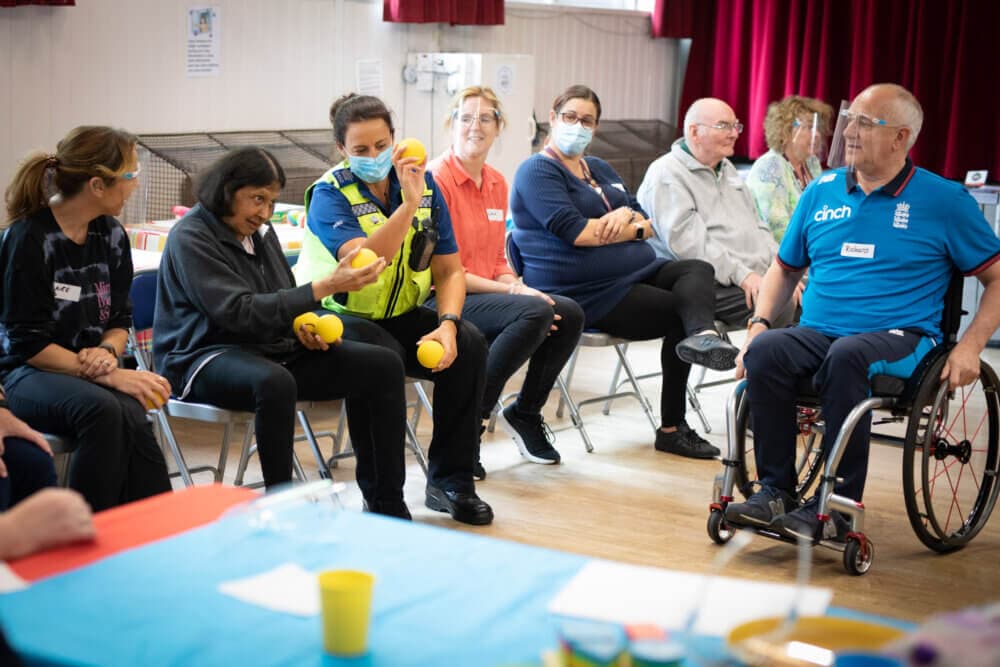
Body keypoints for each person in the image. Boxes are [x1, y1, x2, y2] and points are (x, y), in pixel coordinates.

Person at [726, 83, 1000, 540]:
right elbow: (784, 269)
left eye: (866, 123)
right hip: (818, 331)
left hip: (903, 337)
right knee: (768, 351)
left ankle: (837, 508)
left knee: (849, 354)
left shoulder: (944, 200)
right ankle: (774, 490)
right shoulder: (822, 190)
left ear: (902, 137)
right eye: (850, 119)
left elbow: (997, 279)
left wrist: (970, 347)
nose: (849, 131)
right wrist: (756, 326)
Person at [154, 148, 411, 519]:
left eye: (271, 201)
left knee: (383, 365)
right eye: (257, 198)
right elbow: (237, 312)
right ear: (228, 189)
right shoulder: (191, 236)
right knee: (274, 382)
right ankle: (282, 511)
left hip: (266, 348)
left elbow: (278, 294)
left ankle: (386, 504)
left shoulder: (260, 231)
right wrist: (322, 288)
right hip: (201, 357)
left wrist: (302, 324)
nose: (264, 212)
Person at [509, 84, 739, 459]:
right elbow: (577, 233)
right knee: (676, 310)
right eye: (570, 117)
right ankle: (672, 427)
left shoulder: (597, 167)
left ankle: (703, 337)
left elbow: (647, 220)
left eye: (587, 120)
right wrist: (623, 224)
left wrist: (624, 220)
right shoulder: (537, 171)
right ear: (552, 119)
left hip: (635, 270)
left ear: (596, 127)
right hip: (588, 289)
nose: (578, 126)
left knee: (696, 269)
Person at [294, 94, 493, 525]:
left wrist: (449, 324)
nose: (374, 156)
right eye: (361, 150)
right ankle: (385, 501)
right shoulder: (330, 194)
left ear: (395, 140)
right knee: (381, 362)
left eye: (382, 145)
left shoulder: (424, 184)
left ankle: (451, 482)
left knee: (471, 344)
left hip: (400, 311)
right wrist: (407, 204)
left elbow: (449, 268)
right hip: (342, 316)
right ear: (342, 150)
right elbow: (365, 263)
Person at [0, 126, 172, 512]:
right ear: (97, 184)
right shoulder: (30, 238)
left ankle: (155, 525)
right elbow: (27, 343)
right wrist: (105, 373)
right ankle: (82, 530)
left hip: (85, 371)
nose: (134, 185)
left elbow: (119, 317)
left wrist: (109, 352)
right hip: (26, 373)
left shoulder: (110, 234)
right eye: (130, 175)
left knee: (131, 409)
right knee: (105, 409)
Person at [428, 86, 585, 477]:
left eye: (485, 118)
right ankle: (471, 428)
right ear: (451, 124)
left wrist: (515, 284)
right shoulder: (436, 179)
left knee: (567, 312)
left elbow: (498, 258)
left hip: (487, 292)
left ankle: (525, 413)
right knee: (533, 310)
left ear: (499, 127)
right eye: (465, 118)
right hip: (443, 297)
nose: (474, 127)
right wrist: (516, 292)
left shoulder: (497, 182)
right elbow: (447, 271)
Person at [637, 97, 799, 329]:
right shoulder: (666, 174)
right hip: (705, 285)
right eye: (724, 126)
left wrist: (778, 271)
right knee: (778, 304)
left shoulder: (728, 169)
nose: (734, 134)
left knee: (815, 295)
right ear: (695, 132)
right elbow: (691, 246)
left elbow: (759, 226)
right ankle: (755, 364)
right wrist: (744, 275)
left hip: (746, 275)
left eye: (736, 126)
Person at [746, 95, 834, 242]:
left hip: (814, 241)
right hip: (785, 251)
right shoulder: (769, 167)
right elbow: (778, 229)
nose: (817, 134)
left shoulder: (811, 163)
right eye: (809, 127)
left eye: (818, 128)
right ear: (786, 130)